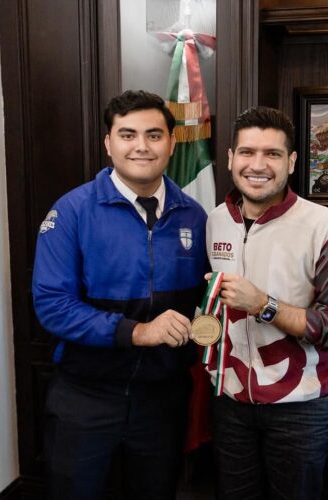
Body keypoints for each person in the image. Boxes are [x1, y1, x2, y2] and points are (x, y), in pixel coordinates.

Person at [32, 90, 208, 500]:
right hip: (86, 396)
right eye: (128, 135)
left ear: (172, 143)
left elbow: (205, 300)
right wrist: (138, 332)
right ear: (108, 143)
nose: (141, 146)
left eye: (154, 135)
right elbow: (53, 306)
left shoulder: (195, 216)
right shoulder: (72, 211)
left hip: (162, 401)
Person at [205, 106, 328, 499]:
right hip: (230, 403)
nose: (258, 165)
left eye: (272, 154)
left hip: (301, 408)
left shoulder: (324, 227)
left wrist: (263, 304)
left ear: (291, 162)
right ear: (231, 158)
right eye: (247, 152)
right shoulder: (214, 220)